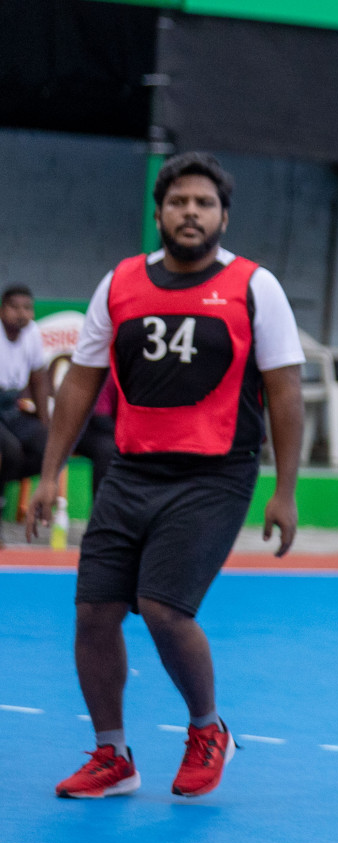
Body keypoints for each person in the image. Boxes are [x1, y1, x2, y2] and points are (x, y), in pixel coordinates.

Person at [27, 152, 305, 799]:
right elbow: (78, 386)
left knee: (162, 606)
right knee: (94, 611)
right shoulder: (119, 283)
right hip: (133, 468)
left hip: (215, 474)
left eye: (203, 203)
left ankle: (209, 730)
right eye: (178, 202)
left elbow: (286, 394)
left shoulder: (255, 287)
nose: (190, 212)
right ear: (158, 214)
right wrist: (49, 475)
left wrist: (285, 490)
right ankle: (113, 755)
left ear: (223, 216)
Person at [0, 284, 52, 495]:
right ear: (2, 308)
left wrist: (43, 421)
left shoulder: (32, 333)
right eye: (15, 307)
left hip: (11, 408)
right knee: (10, 451)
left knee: (48, 446)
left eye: (27, 308)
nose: (22, 314)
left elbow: (38, 379)